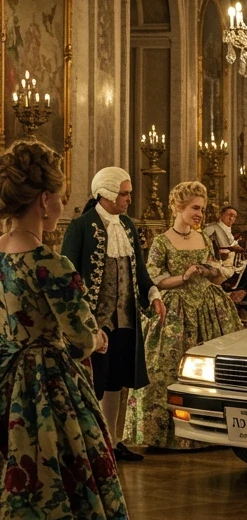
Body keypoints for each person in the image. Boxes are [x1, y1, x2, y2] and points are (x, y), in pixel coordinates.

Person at [0, 140, 158, 520]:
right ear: (43, 201)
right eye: (60, 200)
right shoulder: (51, 264)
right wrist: (94, 339)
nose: (63, 210)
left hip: (7, 391)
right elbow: (82, 331)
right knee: (71, 507)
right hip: (51, 399)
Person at [125, 181, 242, 451]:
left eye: (203, 208)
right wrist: (184, 276)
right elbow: (153, 279)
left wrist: (211, 271)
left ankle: (214, 432)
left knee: (214, 368)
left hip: (209, 308)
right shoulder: (162, 241)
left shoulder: (204, 238)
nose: (200, 213)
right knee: (164, 369)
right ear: (179, 207)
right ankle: (165, 436)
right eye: (195, 208)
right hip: (175, 310)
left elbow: (215, 272)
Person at [61, 166, 166, 464]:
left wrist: (153, 295)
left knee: (118, 381)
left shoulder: (128, 227)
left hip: (126, 319)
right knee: (95, 381)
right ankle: (93, 442)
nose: (128, 199)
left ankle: (115, 441)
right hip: (94, 323)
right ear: (105, 193)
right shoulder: (82, 226)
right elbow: (69, 274)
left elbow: (140, 272)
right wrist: (79, 321)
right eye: (124, 193)